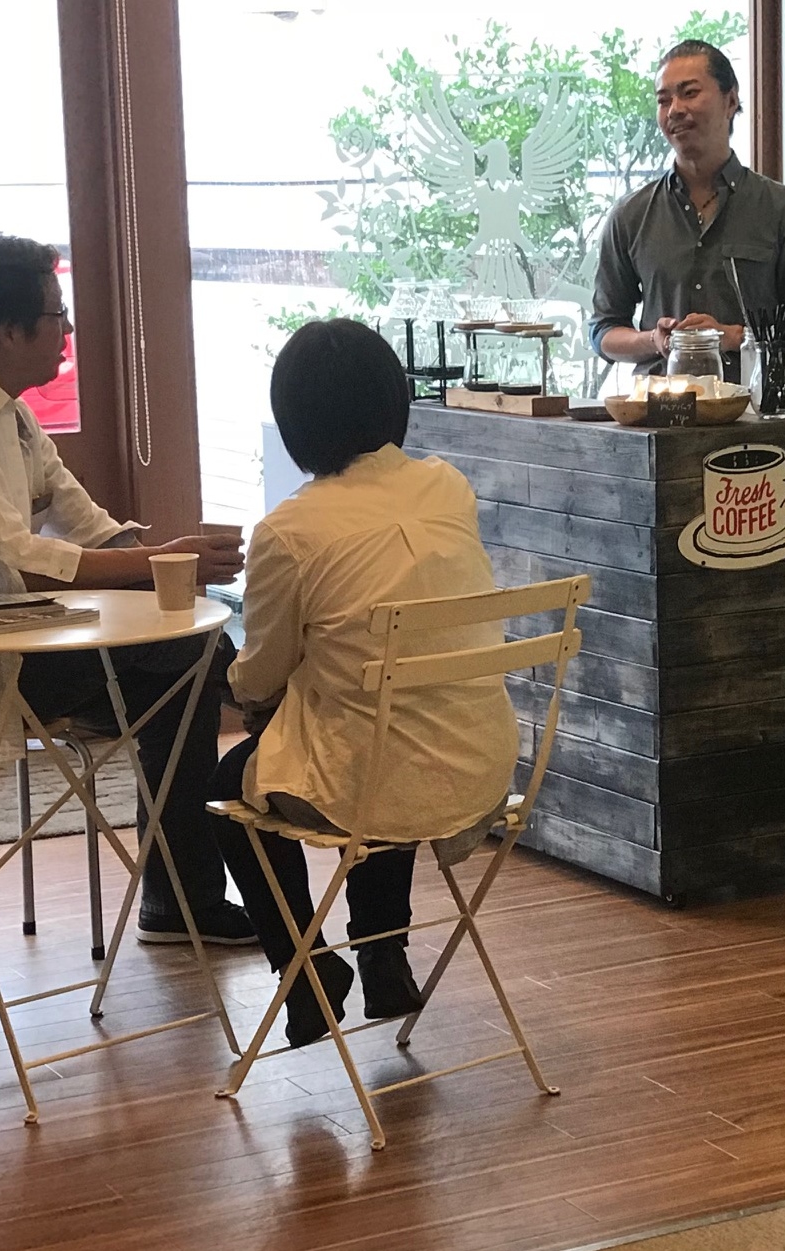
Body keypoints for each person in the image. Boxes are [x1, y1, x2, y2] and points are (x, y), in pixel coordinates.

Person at [0, 232, 255, 945]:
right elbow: (16, 566)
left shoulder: (6, 411)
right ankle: (194, 876)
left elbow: (90, 528)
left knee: (193, 659)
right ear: (8, 330)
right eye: (56, 315)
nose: (68, 331)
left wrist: (176, 559)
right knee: (194, 664)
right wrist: (163, 562)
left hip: (13, 635)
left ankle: (184, 888)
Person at [211, 318, 519, 1046]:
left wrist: (241, 684)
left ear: (297, 423)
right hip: (481, 764)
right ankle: (384, 957)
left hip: (379, 778)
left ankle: (308, 969)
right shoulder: (447, 487)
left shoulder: (290, 531)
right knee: (391, 722)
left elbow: (261, 674)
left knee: (234, 784)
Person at [589, 39, 785, 380]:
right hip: (660, 406)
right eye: (663, 100)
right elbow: (603, 331)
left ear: (731, 101)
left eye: (689, 93)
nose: (674, 110)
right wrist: (654, 340)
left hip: (757, 405)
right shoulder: (630, 215)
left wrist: (734, 337)